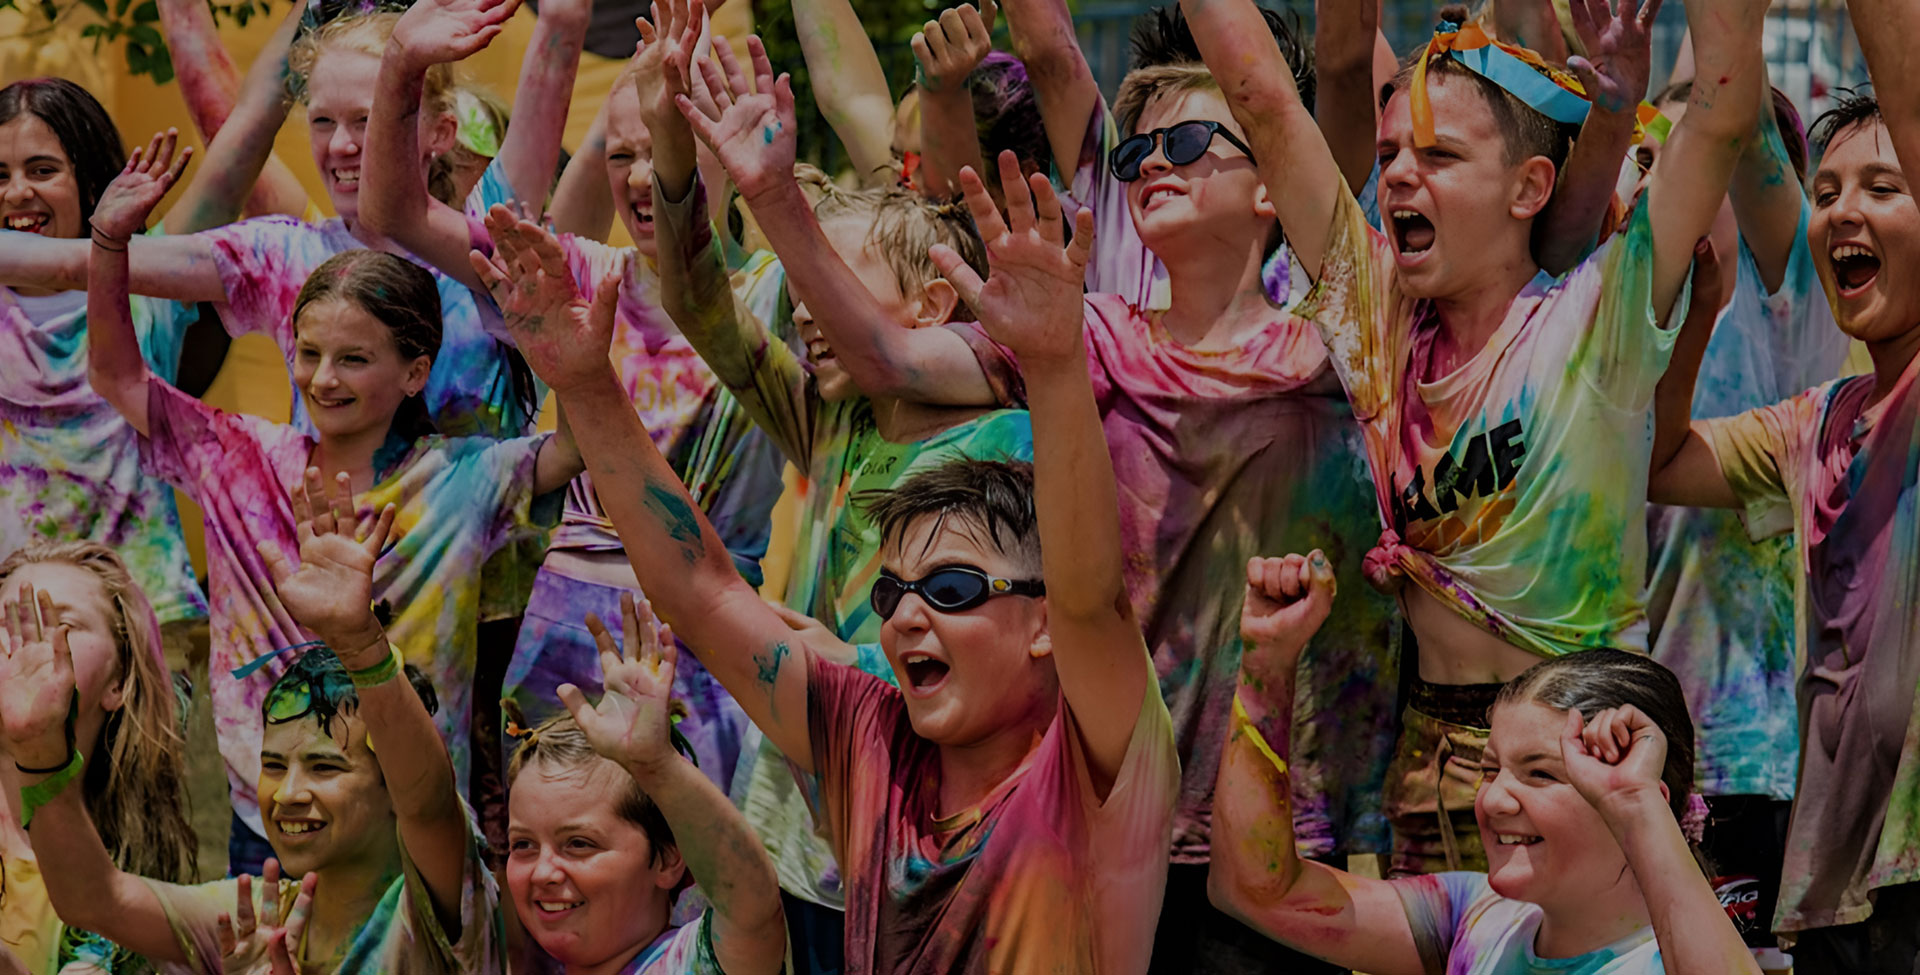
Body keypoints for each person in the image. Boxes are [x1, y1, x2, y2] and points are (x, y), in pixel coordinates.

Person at [478, 123, 1178, 970]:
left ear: (1042, 623)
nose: (907, 615)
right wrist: (586, 383)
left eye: (951, 589)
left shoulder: (1096, 767)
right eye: (891, 592)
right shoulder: (869, 739)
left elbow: (1089, 598)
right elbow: (702, 587)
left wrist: (1058, 363)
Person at [1180, 0, 1763, 877]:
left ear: (1529, 187)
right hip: (1427, 770)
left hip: (1586, 759)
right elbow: (1261, 99)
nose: (1398, 177)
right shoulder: (1377, 316)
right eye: (1388, 157)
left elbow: (1718, 121)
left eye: (1440, 155)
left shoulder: (1594, 320)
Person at [82, 132, 582, 875]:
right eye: (309, 354)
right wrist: (109, 246)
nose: (323, 378)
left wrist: (552, 327)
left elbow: (576, 446)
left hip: (410, 823)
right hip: (269, 818)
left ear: (415, 372)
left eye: (354, 358)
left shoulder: (466, 476)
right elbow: (118, 377)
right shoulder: (242, 458)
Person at [637, 29, 1031, 968]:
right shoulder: (829, 417)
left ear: (933, 307)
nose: (807, 310)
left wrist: (843, 661)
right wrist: (671, 142)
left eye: (838, 282)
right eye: (805, 287)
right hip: (800, 835)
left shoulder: (1006, 445)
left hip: (927, 843)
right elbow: (701, 303)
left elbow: (1016, 668)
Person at [363, 0, 790, 792]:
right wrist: (402, 66)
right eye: (621, 153)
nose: (640, 177)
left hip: (707, 645)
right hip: (562, 643)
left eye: (666, 144)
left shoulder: (778, 294)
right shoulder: (581, 277)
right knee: (547, 862)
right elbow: (396, 215)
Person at [1645, 0, 1920, 960]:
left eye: (1883, 185)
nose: (1840, 210)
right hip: (1838, 883)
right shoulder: (1823, 421)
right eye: (1828, 190)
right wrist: (1692, 322)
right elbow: (1664, 462)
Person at [2, 473, 502, 973]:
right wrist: (39, 749)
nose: (288, 793)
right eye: (274, 765)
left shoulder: (436, 902)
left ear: (391, 786)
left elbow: (427, 799)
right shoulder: (255, 920)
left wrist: (359, 643)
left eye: (324, 767)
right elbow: (97, 899)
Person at [1208, 551, 1763, 974]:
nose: (1493, 799)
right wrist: (1267, 662)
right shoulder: (1477, 918)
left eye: (1541, 773)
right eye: (1491, 770)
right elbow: (1260, 892)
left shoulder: (1671, 961)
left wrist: (1636, 807)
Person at [1632, 74, 1847, 964]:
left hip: (1744, 760)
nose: (1655, 181)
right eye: (1646, 157)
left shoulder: (1782, 322)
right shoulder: (1608, 330)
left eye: (1688, 155)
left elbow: (1743, 117)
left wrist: (1727, 82)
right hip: (1627, 755)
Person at [0, 78, 211, 683]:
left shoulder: (146, 282)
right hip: (12, 633)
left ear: (91, 181)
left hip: (147, 630)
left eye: (43, 169)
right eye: (0, 174)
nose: (17, 191)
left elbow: (239, 150)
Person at [504, 595, 787, 975]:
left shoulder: (689, 964)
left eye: (579, 843)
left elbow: (752, 906)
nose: (543, 872)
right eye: (523, 845)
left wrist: (656, 765)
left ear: (667, 858)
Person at [0, 542, 199, 974]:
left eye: (61, 623)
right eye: (6, 620)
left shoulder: (126, 884)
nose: (25, 639)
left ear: (118, 682)